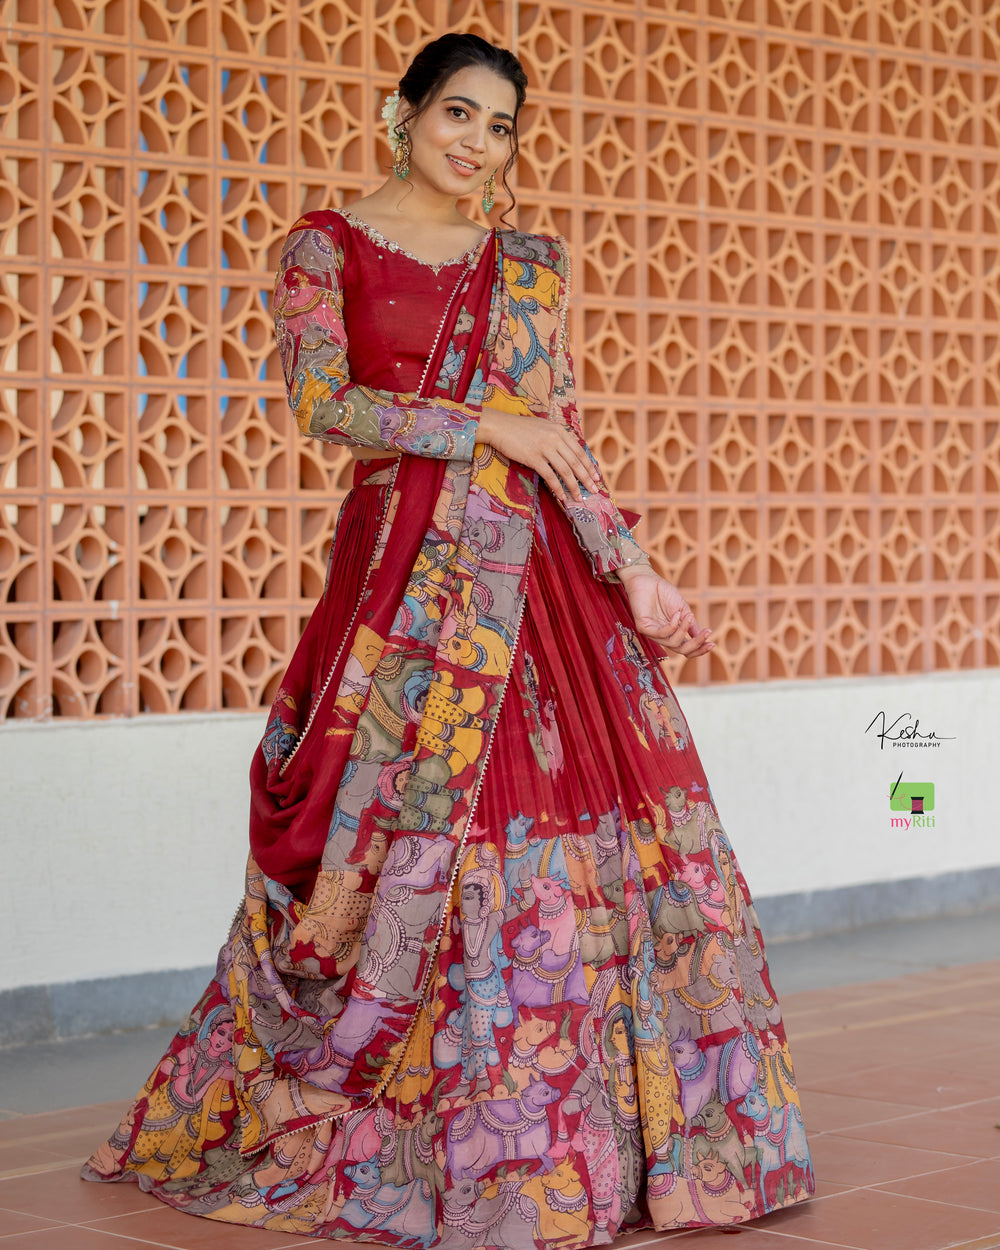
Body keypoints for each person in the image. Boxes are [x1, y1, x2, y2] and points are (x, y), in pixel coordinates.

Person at [83, 32, 815, 1245]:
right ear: (404, 113)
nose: (479, 145)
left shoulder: (526, 263)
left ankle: (598, 1141)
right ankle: (437, 1125)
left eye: (502, 127)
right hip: (399, 580)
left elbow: (559, 430)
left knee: (586, 828)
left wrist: (634, 572)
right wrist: (482, 422)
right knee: (402, 829)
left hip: (539, 582)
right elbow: (325, 403)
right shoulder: (322, 246)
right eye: (458, 116)